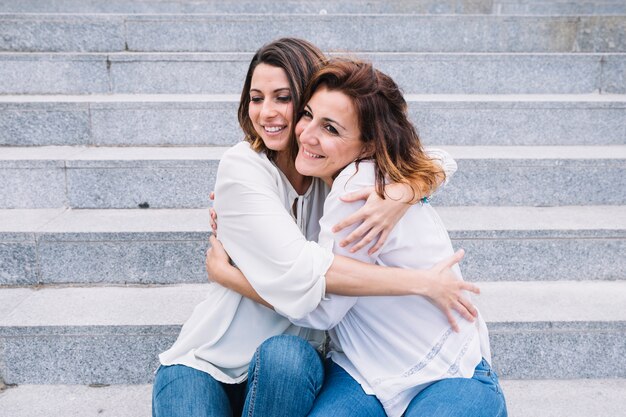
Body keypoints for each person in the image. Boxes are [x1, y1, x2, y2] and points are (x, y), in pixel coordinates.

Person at [153, 38, 477, 417]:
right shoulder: (243, 168)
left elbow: (437, 159)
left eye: (283, 98)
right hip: (209, 362)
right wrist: (421, 282)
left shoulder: (331, 171)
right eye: (256, 98)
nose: (267, 113)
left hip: (290, 365)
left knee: (285, 356)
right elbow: (305, 273)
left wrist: (401, 194)